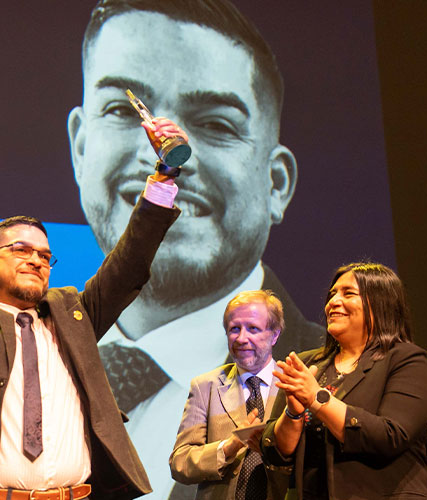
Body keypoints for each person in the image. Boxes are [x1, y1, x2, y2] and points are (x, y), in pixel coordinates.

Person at [65, 2, 325, 495]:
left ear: (276, 183)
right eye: (125, 111)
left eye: (217, 124)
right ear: (80, 147)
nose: (164, 152)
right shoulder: (45, 360)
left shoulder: (324, 373)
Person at [0, 93, 186, 499]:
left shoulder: (73, 315)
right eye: (21, 250)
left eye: (45, 255)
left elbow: (129, 265)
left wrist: (164, 175)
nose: (36, 260)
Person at [260, 262, 427, 499]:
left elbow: (391, 436)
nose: (333, 302)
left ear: (380, 303)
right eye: (332, 294)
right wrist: (293, 413)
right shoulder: (309, 364)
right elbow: (278, 453)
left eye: (348, 293)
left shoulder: (407, 359)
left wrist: (317, 398)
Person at [170, 290, 289, 500]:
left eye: (253, 329)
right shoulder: (205, 387)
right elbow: (180, 463)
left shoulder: (293, 385)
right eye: (235, 329)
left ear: (275, 335)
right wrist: (228, 447)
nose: (242, 338)